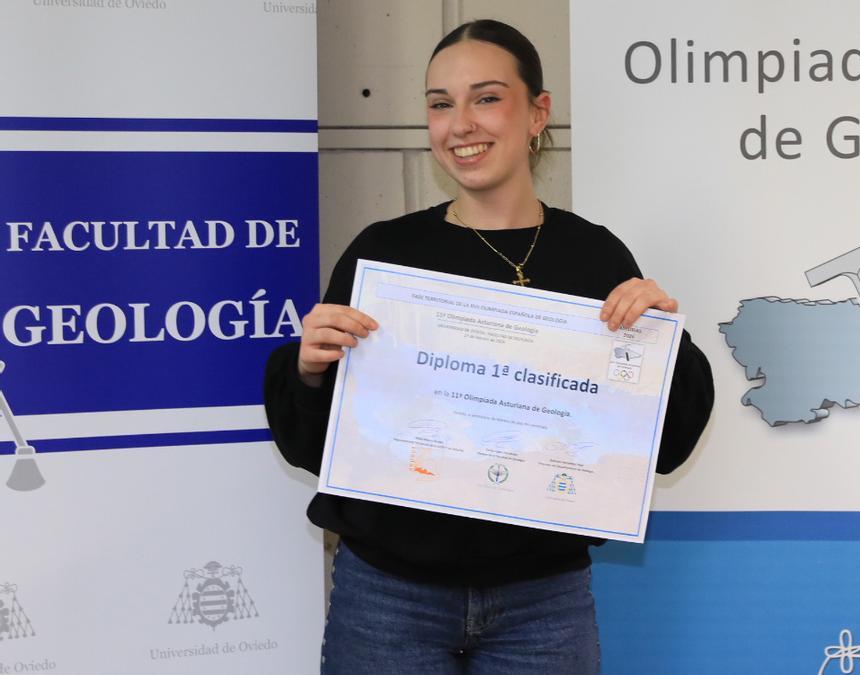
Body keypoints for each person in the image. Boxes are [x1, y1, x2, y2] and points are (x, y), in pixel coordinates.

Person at [263, 19, 714, 674]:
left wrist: (665, 347)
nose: (460, 123)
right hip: (390, 598)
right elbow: (314, 448)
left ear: (538, 113)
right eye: (440, 104)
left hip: (543, 604)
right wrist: (306, 370)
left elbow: (664, 447)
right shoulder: (384, 256)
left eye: (486, 97)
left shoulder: (594, 256)